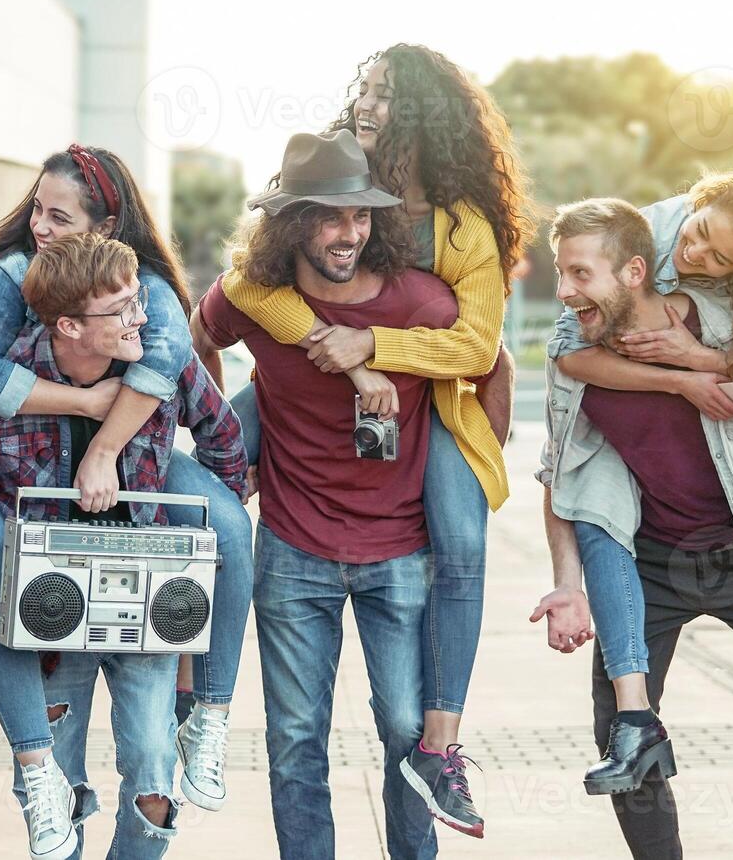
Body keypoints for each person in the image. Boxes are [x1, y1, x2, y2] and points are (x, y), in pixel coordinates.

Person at [217, 44, 530, 835]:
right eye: (366, 89)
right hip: (297, 504)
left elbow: (475, 348)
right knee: (214, 488)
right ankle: (196, 705)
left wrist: (371, 350)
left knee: (460, 542)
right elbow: (248, 281)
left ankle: (443, 739)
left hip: (435, 423)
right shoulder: (335, 173)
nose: (367, 104)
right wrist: (331, 351)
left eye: (386, 95)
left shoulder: (460, 231)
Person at [534, 198, 733, 859]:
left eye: (578, 276)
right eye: (560, 276)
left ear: (629, 271)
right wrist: (567, 583)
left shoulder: (723, 319)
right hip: (651, 563)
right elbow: (558, 477)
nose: (564, 294)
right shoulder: (574, 354)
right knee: (624, 739)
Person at [0, 233, 248, 860]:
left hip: (149, 608)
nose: (142, 316)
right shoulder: (3, 382)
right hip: (50, 615)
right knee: (53, 795)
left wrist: (197, 561)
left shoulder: (158, 366)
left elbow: (224, 440)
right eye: (121, 309)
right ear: (67, 324)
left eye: (138, 302)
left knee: (155, 777)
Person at [192, 131, 458, 858]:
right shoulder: (255, 298)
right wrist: (229, 435)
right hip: (291, 548)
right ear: (294, 222)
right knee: (294, 739)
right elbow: (201, 335)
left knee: (406, 730)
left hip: (399, 548)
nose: (350, 234)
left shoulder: (420, 302)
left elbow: (484, 363)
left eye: (362, 216)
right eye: (331, 217)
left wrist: (467, 466)